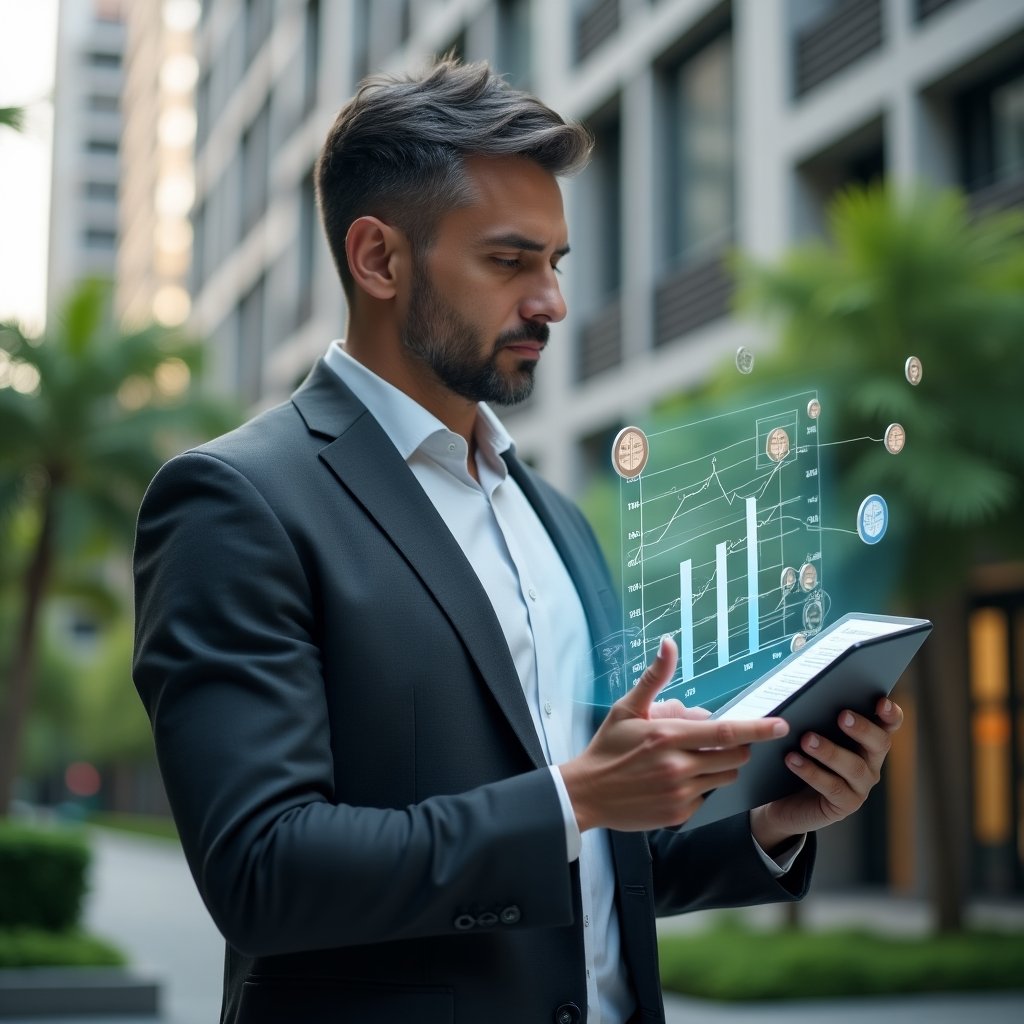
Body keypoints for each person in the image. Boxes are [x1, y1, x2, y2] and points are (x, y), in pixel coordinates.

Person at [133, 59, 904, 1024]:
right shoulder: (236, 502)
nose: (552, 302)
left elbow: (592, 870)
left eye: (557, 262)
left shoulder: (558, 521)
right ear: (378, 260)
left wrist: (773, 824)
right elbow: (264, 871)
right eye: (509, 262)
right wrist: (575, 799)